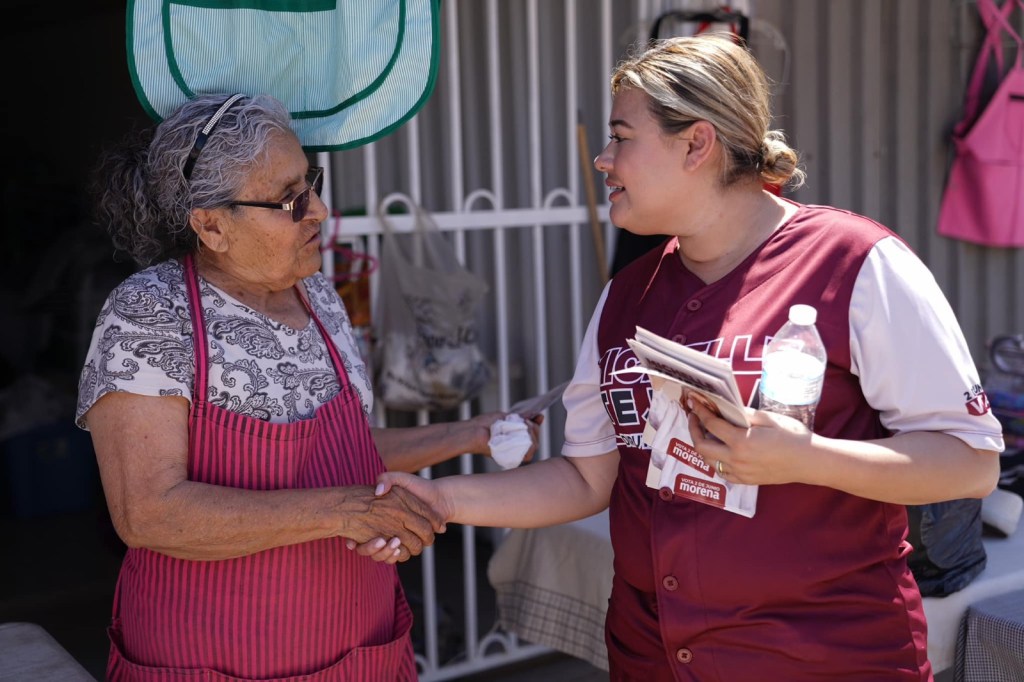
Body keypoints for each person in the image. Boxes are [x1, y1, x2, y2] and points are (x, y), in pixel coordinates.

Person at [370, 35, 1005, 681]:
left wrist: (806, 458)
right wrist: (438, 500)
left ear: (697, 144)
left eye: (622, 136)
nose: (602, 158)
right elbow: (587, 479)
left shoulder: (854, 264)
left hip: (823, 658)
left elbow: (971, 463)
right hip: (652, 656)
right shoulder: (627, 293)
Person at [76, 92, 537, 681]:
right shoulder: (151, 312)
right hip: (209, 658)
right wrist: (346, 512)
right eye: (290, 199)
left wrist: (469, 434)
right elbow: (149, 513)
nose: (319, 210)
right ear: (212, 225)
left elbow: (340, 452)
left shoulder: (318, 296)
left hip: (358, 652)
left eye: (311, 184)